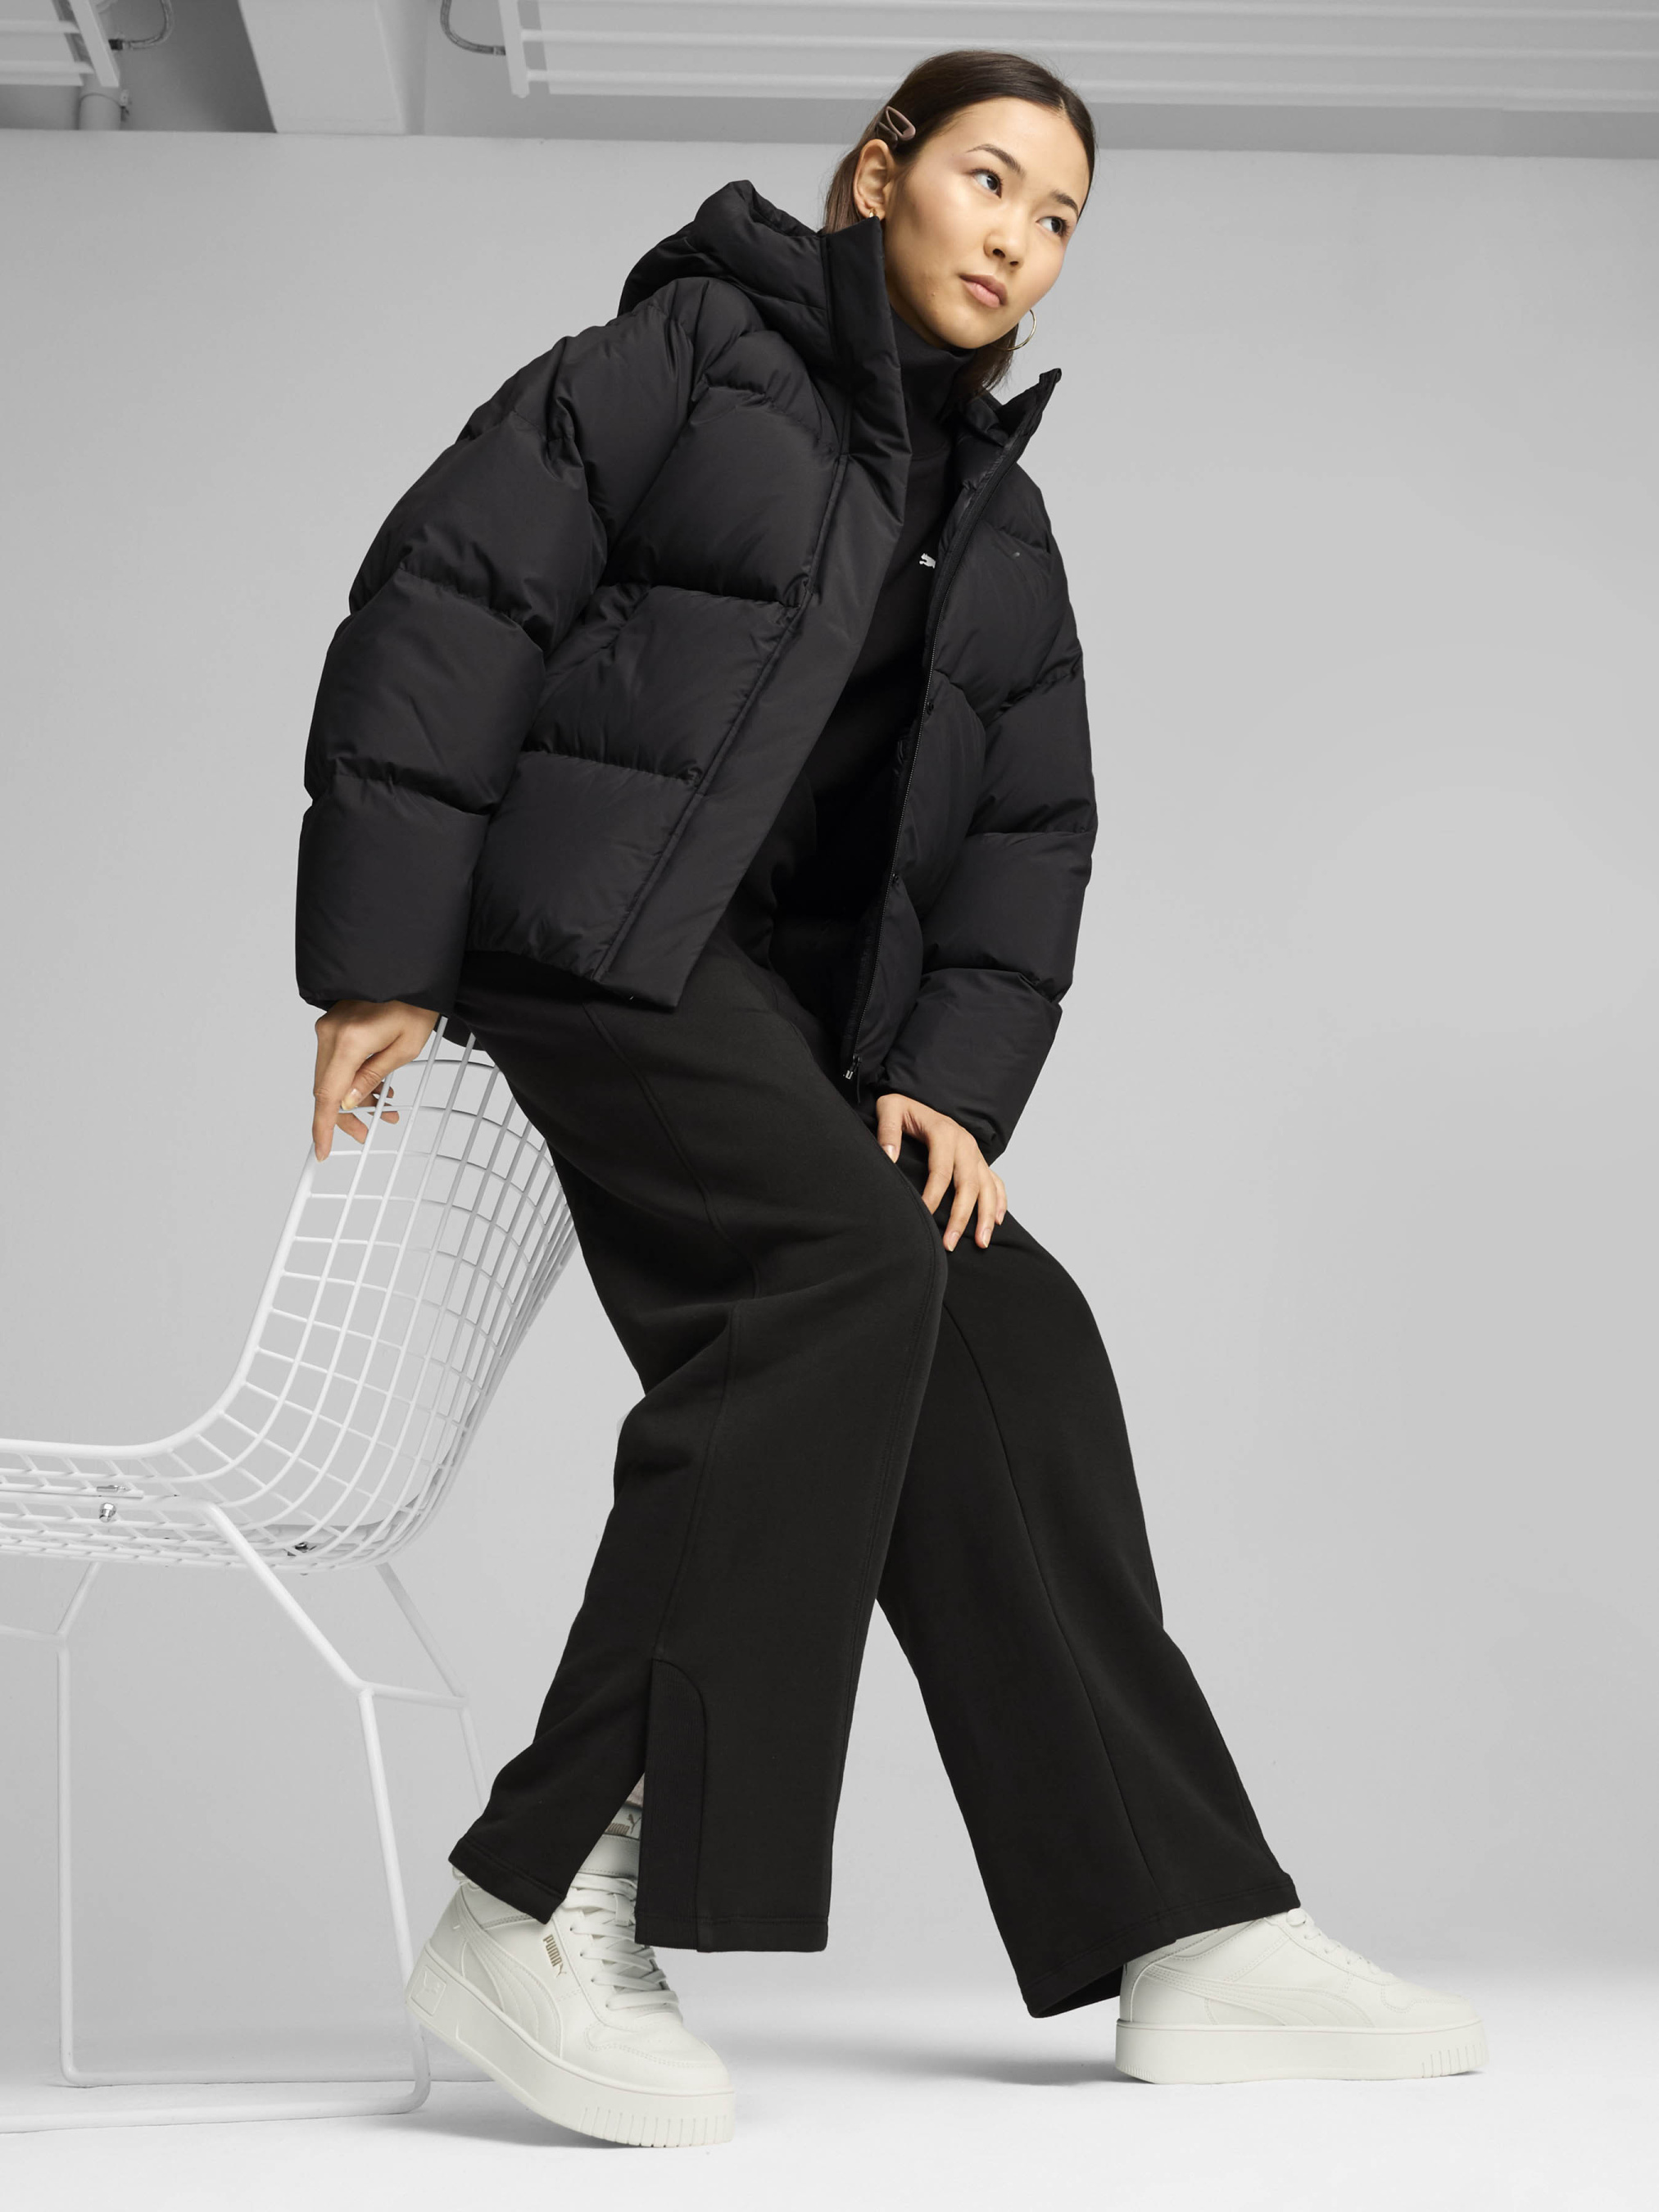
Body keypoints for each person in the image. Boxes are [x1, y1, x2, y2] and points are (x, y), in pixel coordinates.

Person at [295, 52, 1486, 2151]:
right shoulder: (687, 355)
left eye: (1057, 217)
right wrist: (380, 949)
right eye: (987, 181)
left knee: (1003, 1325)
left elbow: (1032, 830)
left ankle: (1185, 1927)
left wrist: (944, 1081)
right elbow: (452, 591)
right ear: (878, 177)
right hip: (588, 928)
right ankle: (540, 1888)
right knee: (841, 1277)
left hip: (781, 1010)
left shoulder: (996, 518)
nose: (1017, 237)